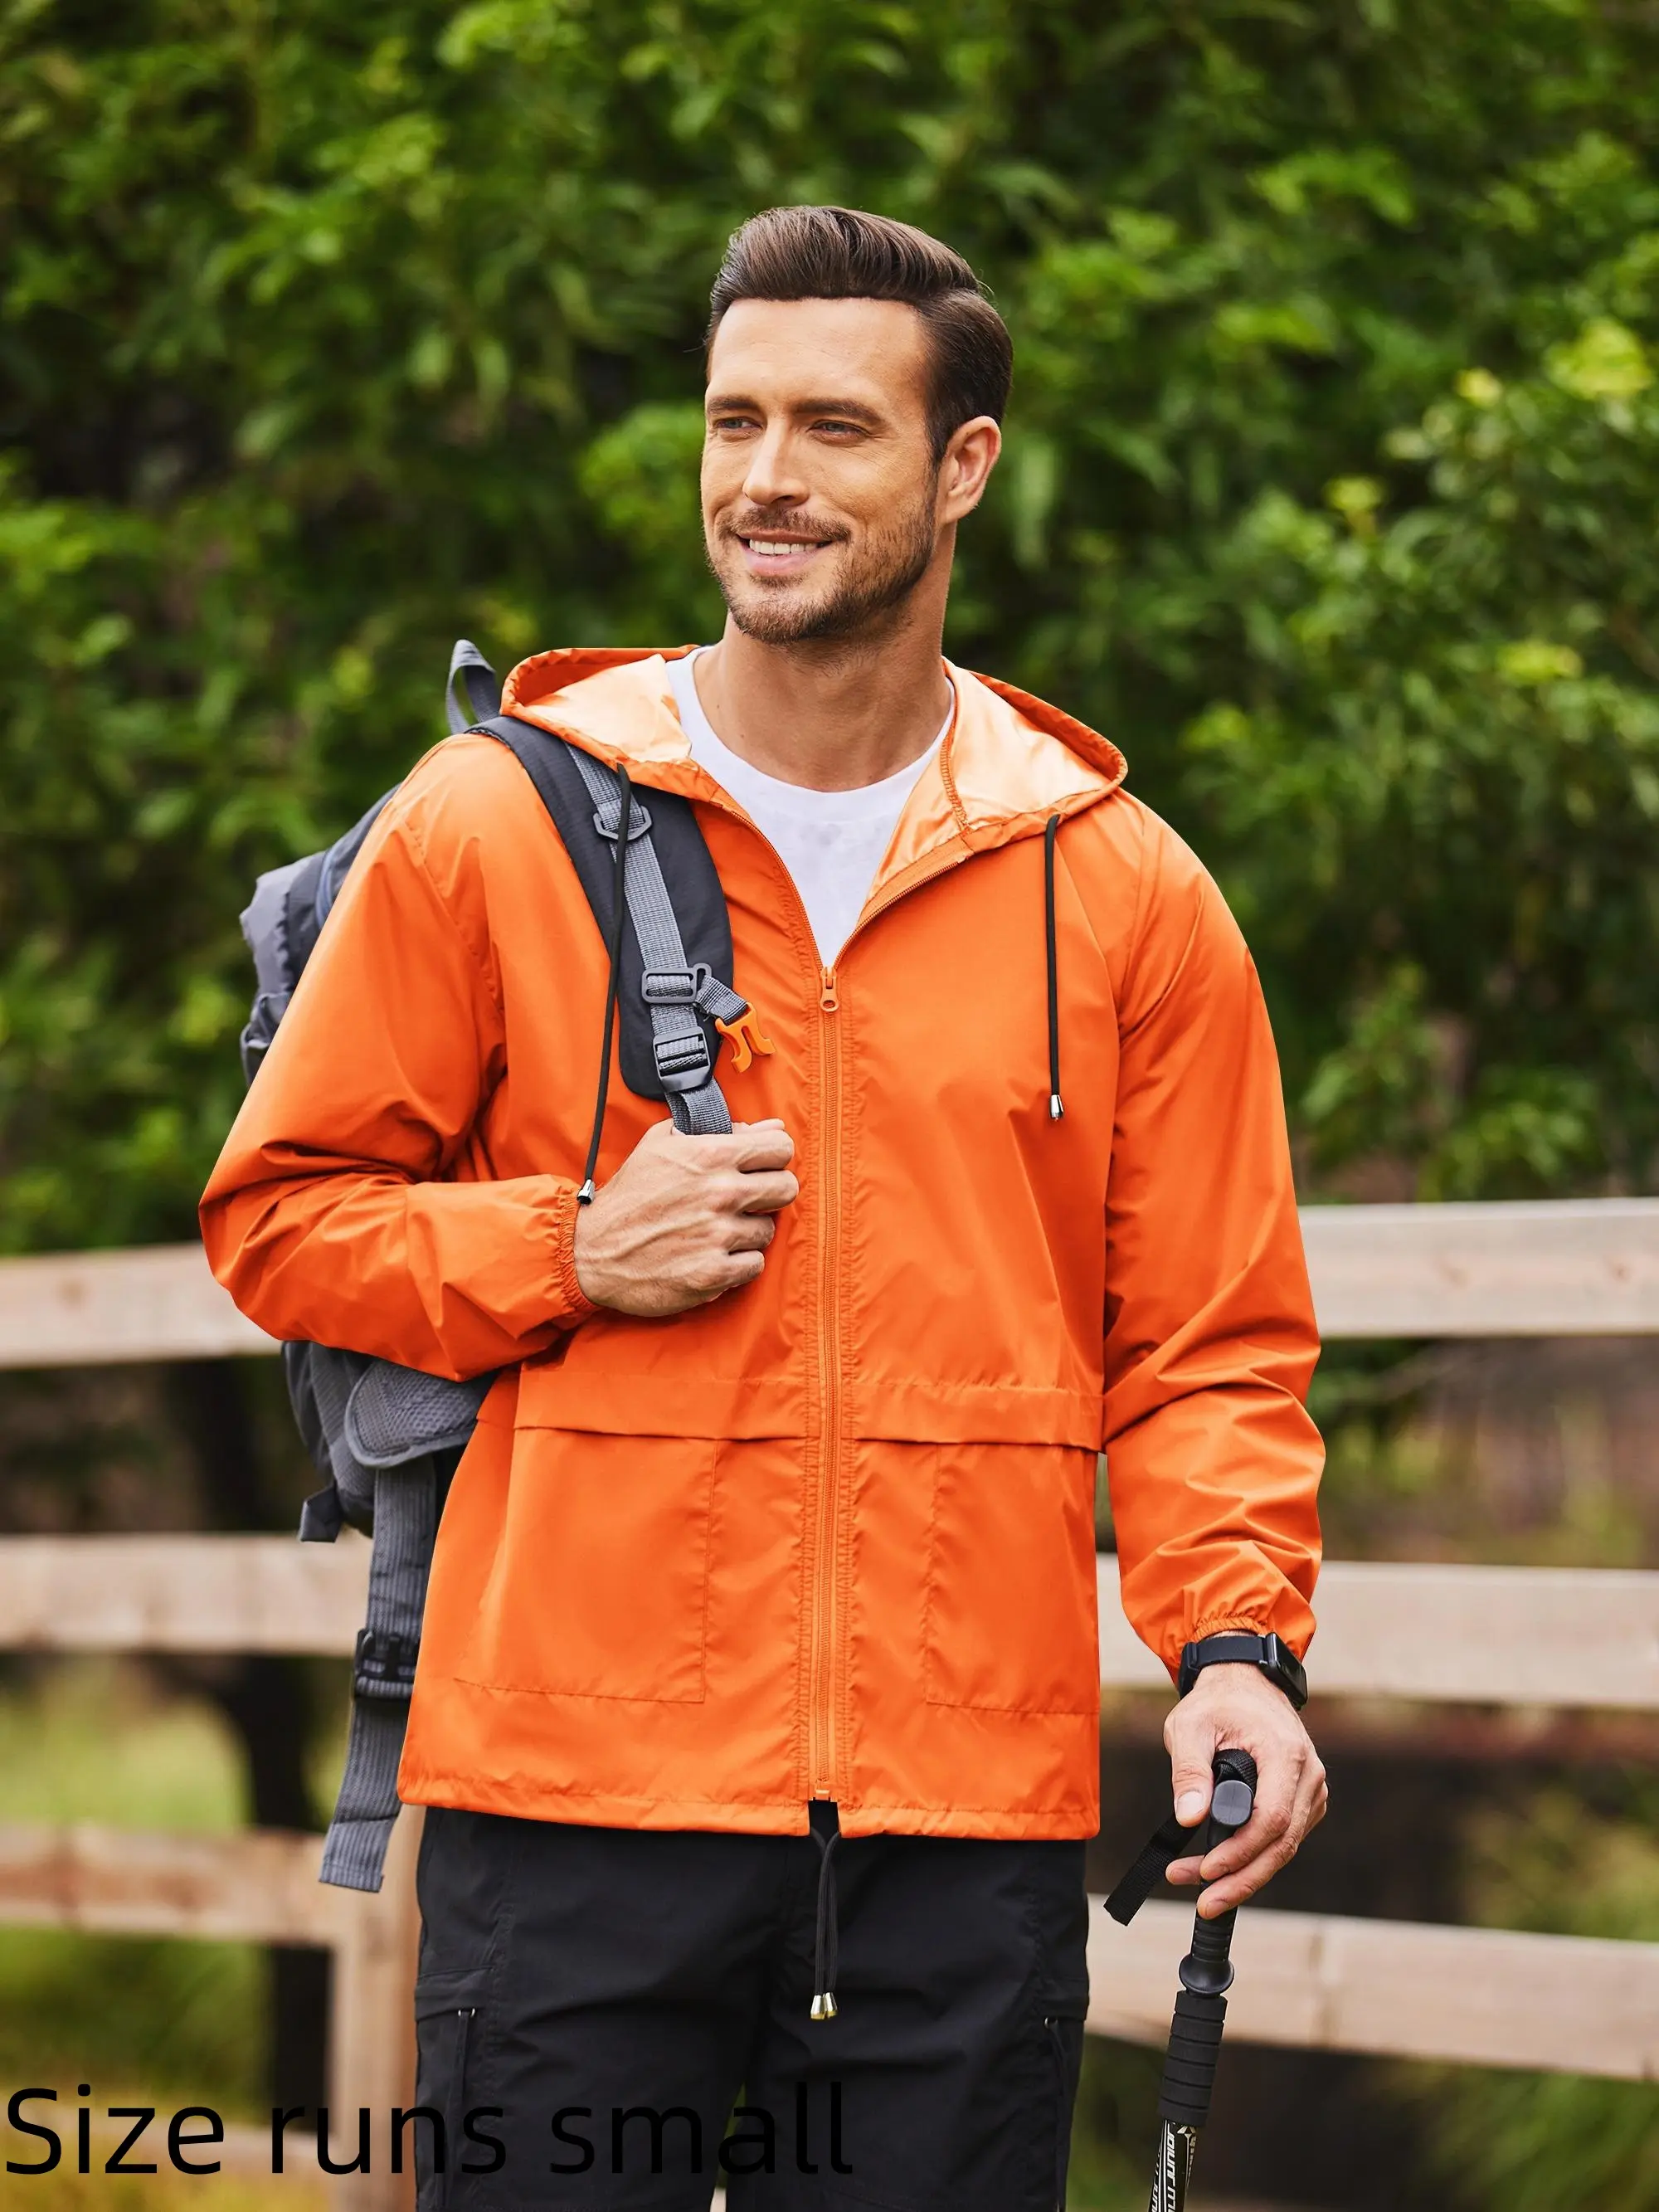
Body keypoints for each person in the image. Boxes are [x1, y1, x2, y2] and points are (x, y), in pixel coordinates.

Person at [201, 206, 1326, 2212]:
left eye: (833, 427)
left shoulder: (1122, 887)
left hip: (960, 1827)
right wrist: (566, 1247)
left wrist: (1234, 1641)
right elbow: (282, 1218)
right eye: (733, 423)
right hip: (573, 1799)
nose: (765, 480)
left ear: (962, 465)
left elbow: (1205, 1344)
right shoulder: (496, 822)